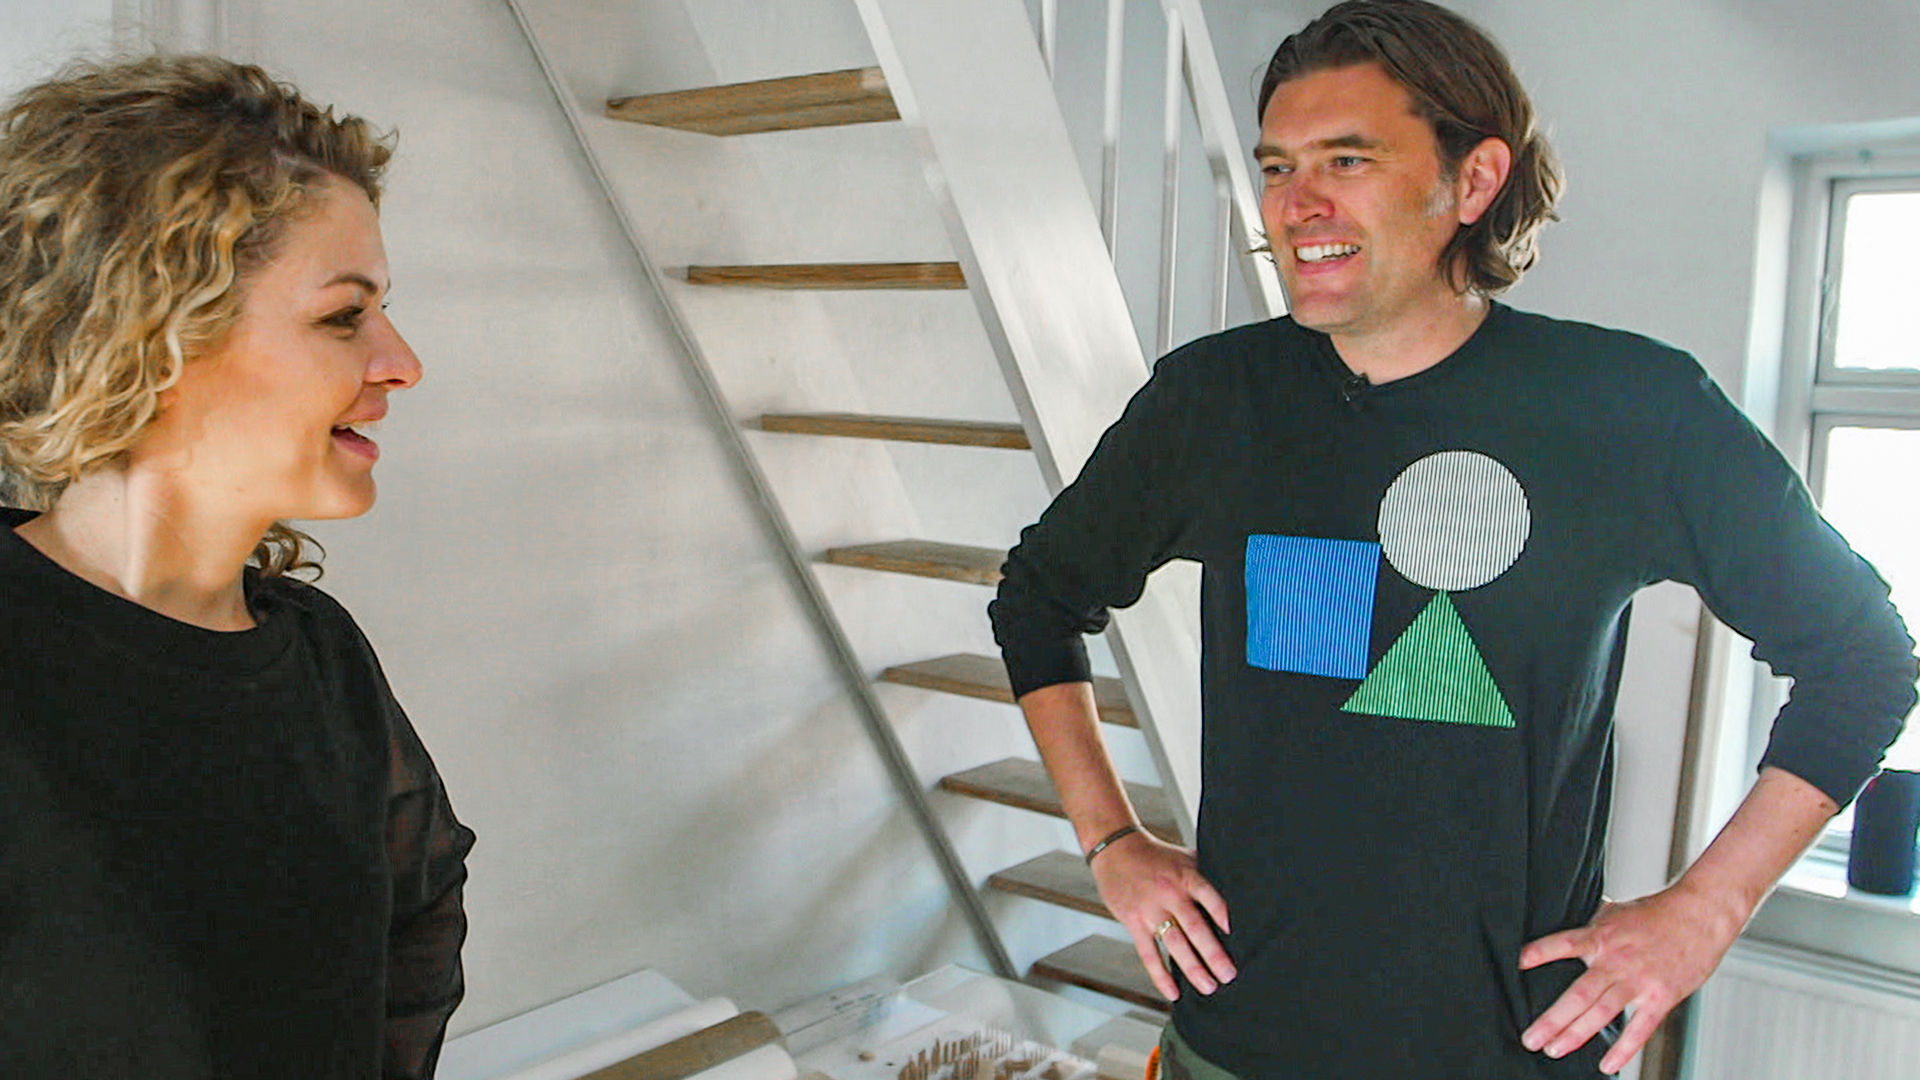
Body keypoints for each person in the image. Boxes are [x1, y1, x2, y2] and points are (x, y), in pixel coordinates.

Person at [989, 2, 1917, 1077]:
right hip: (1238, 1040)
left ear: (1474, 181)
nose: (1296, 203)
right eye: (1279, 166)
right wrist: (1110, 841)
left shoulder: (1626, 407)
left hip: (1506, 1047)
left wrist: (1708, 909)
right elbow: (1038, 598)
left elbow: (1865, 661)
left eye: (1348, 159)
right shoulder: (1213, 401)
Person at [0, 55, 473, 1077]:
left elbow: (418, 921)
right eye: (343, 315)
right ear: (152, 336)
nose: (401, 362)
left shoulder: (323, 657)